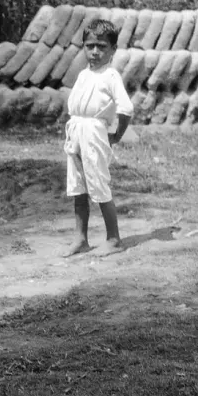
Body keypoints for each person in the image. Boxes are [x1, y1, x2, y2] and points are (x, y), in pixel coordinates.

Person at [62, 19, 133, 258]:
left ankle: (114, 238)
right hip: (77, 131)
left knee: (99, 184)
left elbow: (126, 109)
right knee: (78, 186)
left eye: (102, 46)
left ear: (113, 50)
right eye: (90, 45)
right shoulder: (83, 75)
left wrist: (116, 135)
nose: (95, 52)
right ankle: (81, 238)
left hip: (95, 133)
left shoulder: (110, 76)